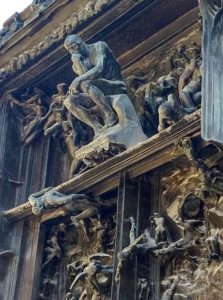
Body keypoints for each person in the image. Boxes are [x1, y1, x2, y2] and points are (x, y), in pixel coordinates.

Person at [64, 34, 127, 136]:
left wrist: (77, 79)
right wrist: (77, 62)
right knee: (69, 101)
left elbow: (99, 69)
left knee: (84, 83)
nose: (72, 51)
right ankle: (97, 127)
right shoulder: (76, 63)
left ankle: (110, 115)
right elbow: (86, 76)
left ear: (81, 42)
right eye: (69, 50)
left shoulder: (99, 46)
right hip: (96, 91)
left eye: (73, 46)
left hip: (115, 85)